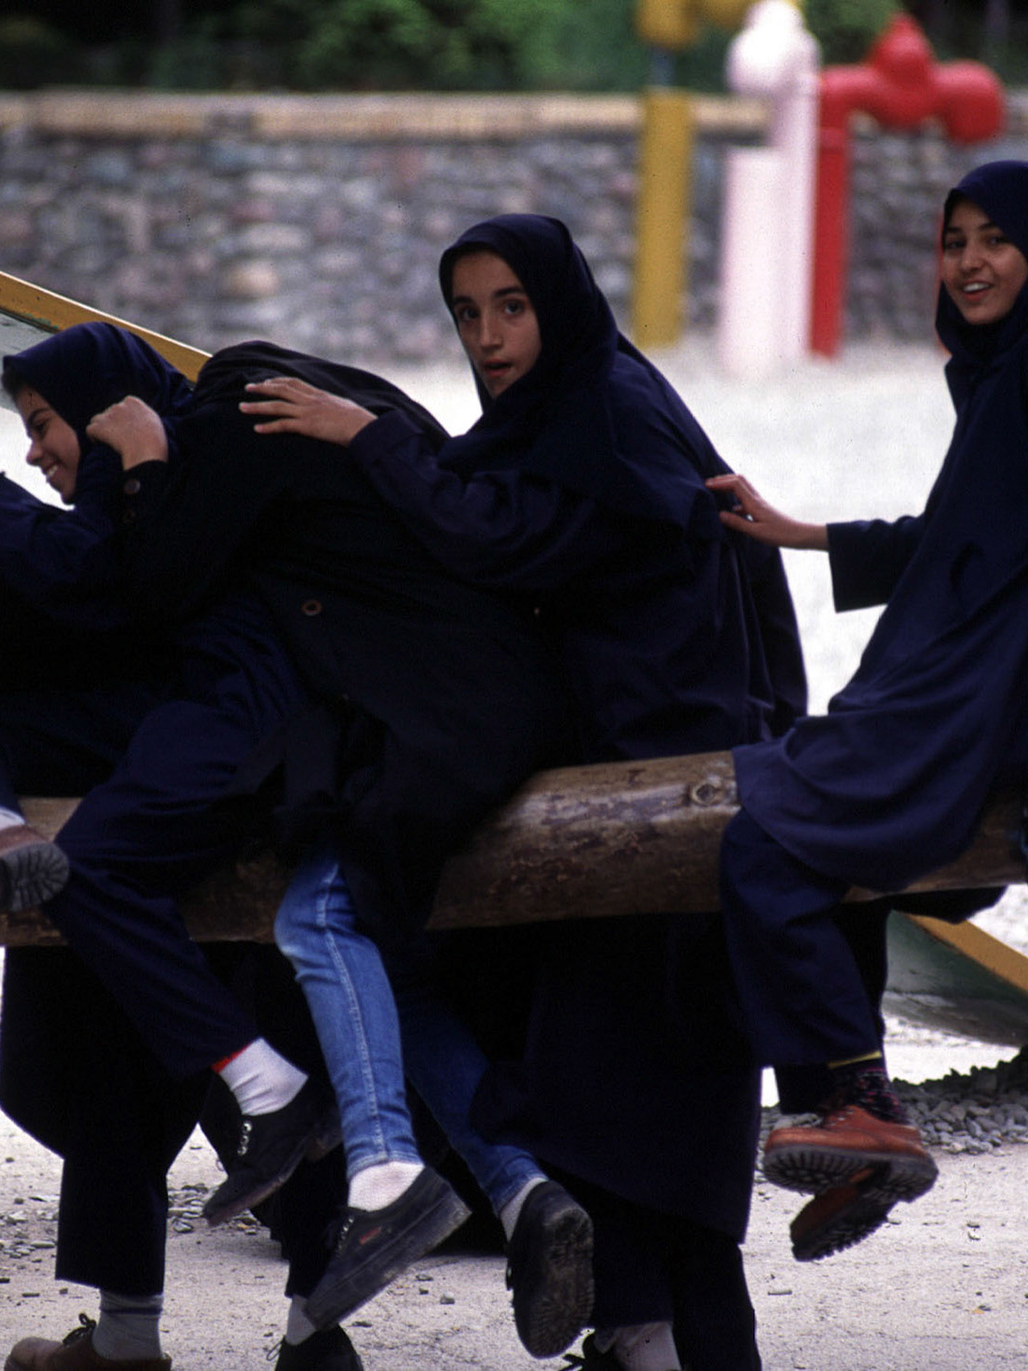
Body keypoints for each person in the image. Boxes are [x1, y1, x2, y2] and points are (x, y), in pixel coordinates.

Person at [241, 213, 807, 1371]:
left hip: (674, 798)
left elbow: (495, 539)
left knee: (665, 1088)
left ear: (560, 305)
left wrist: (364, 438)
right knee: (600, 1086)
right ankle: (642, 1333)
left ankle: (688, 1341)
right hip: (611, 786)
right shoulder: (554, 417)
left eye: (512, 307)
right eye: (466, 314)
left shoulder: (609, 410)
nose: (489, 338)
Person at [0, 340, 597, 1353]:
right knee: (360, 974)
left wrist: (128, 461)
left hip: (378, 746)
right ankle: (499, 1202)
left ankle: (368, 1191)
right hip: (391, 744)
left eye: (50, 429)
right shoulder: (272, 440)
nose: (41, 457)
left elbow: (157, 585)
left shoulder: (233, 428)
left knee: (305, 938)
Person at [0, 326, 363, 1371]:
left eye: (46, 425)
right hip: (159, 830)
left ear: (104, 409)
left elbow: (79, 587)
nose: (37, 454)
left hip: (216, 792)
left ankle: (300, 1333)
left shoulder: (170, 480)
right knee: (137, 1073)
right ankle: (186, 1339)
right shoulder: (102, 512)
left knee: (277, 1069)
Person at [710, 160, 1028, 1262]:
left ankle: (860, 1110)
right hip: (939, 686)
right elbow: (958, 536)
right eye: (953, 239)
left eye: (995, 240)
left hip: (959, 701)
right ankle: (859, 1118)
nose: (969, 261)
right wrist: (800, 533)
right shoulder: (1009, 374)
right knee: (838, 879)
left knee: (764, 850)